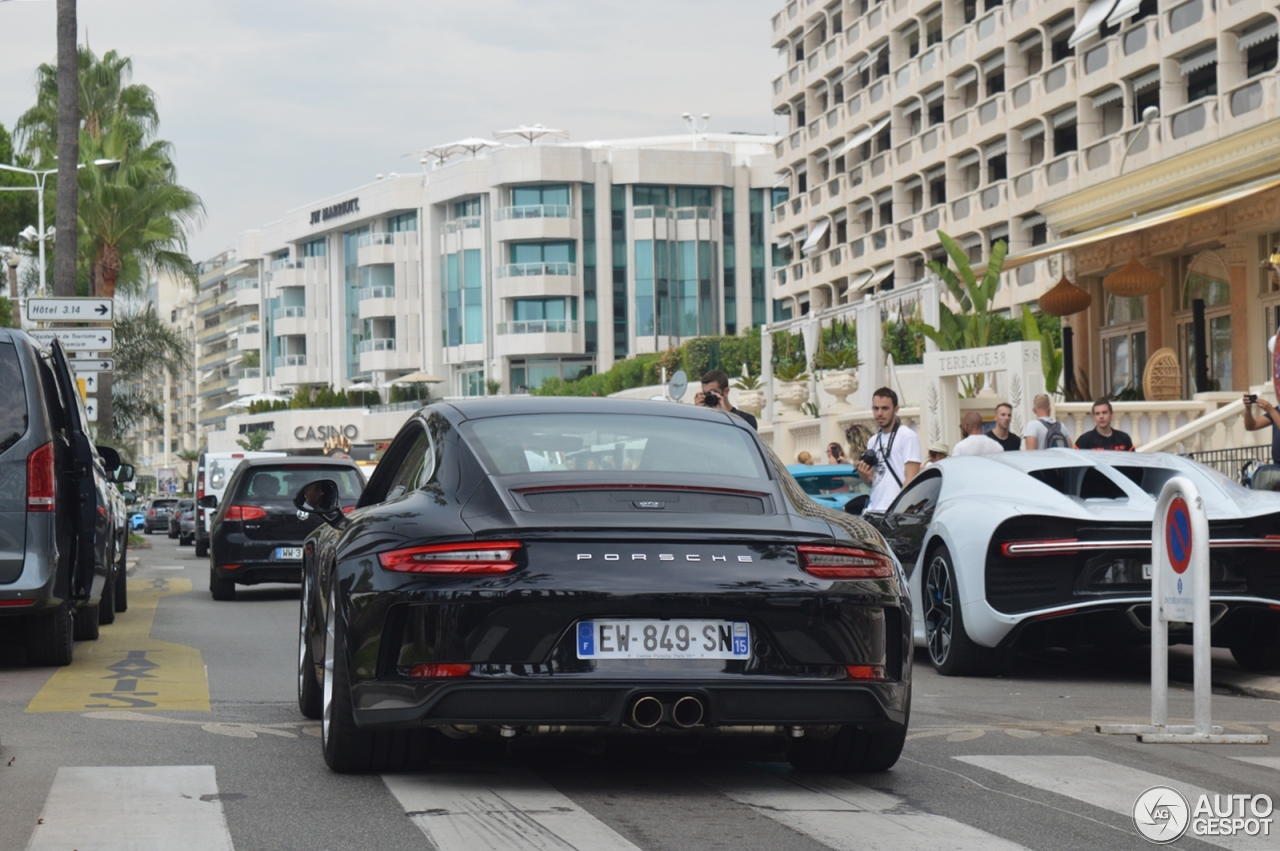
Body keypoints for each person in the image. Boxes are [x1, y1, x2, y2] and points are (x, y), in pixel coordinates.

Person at [856, 387, 921, 512]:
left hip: (895, 512)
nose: (879, 413)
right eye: (876, 408)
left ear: (896, 410)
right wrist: (863, 475)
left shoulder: (907, 436)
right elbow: (874, 481)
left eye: (885, 408)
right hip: (874, 510)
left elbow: (912, 478)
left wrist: (898, 509)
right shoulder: (873, 441)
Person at [694, 369, 758, 430]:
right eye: (706, 394)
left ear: (726, 391)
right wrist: (697, 412)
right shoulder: (703, 420)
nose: (709, 397)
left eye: (713, 392)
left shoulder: (746, 420)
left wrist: (726, 415)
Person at [1243, 391, 1280, 464]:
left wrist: (1271, 410)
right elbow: (1251, 426)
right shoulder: (1277, 410)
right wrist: (1248, 409)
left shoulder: (1274, 411)